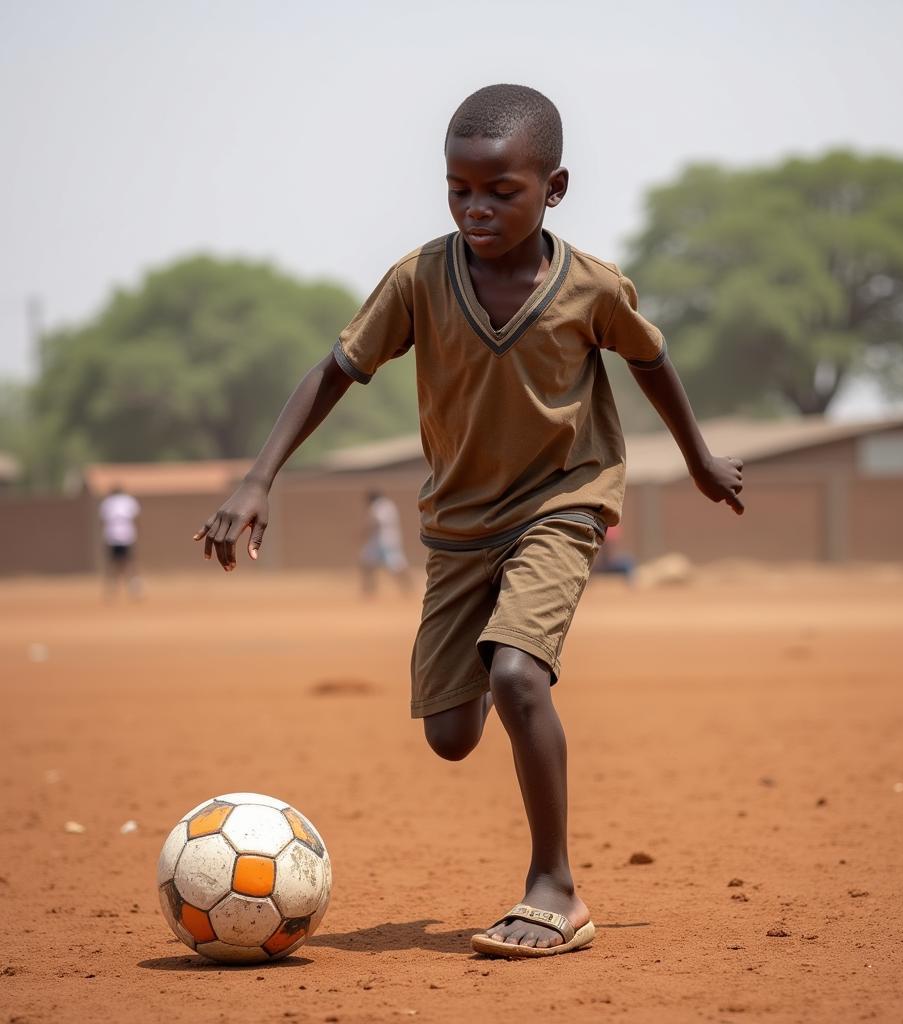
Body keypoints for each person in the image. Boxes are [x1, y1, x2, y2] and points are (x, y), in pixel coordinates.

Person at [194, 85, 743, 959]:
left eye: (501, 191)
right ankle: (498, 658)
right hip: (457, 524)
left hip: (562, 503)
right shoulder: (419, 280)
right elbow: (334, 370)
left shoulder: (592, 288)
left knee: (520, 675)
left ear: (553, 188)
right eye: (459, 189)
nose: (476, 208)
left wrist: (700, 458)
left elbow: (653, 357)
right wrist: (258, 477)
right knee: (451, 736)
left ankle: (555, 888)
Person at [360, 490, 412, 594]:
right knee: (367, 563)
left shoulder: (380, 505)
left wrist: (363, 532)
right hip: (382, 541)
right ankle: (369, 590)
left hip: (385, 542)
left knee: (397, 566)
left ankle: (409, 588)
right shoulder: (388, 504)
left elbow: (376, 522)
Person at [98, 484, 142, 598]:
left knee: (119, 564)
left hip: (117, 536)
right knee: (125, 563)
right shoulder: (126, 501)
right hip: (121, 536)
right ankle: (129, 588)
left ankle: (117, 589)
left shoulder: (109, 502)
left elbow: (103, 518)